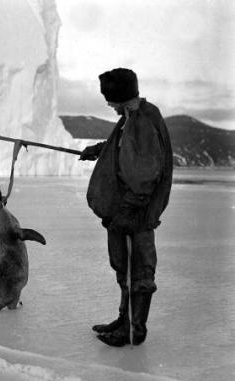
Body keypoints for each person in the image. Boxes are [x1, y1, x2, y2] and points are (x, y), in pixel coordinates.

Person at [80, 68, 173, 346]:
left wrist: (128, 211)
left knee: (140, 273)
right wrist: (101, 149)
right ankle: (125, 320)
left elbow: (145, 173)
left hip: (136, 214)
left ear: (122, 97)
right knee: (125, 269)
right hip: (124, 212)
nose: (108, 104)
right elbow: (124, 147)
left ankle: (134, 329)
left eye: (110, 99)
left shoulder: (142, 121)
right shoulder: (131, 117)